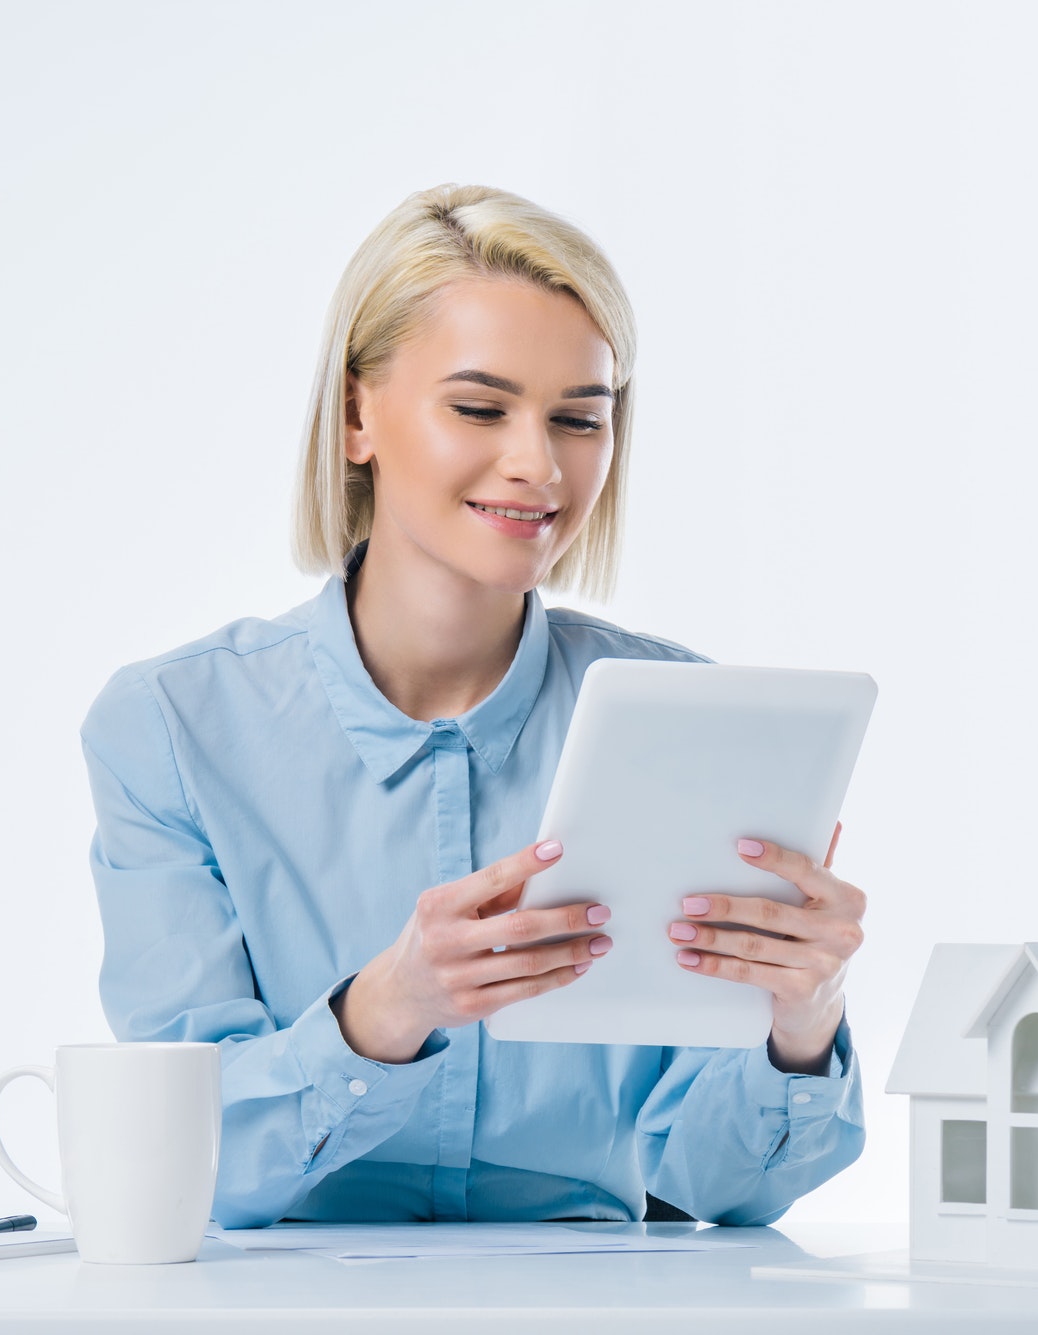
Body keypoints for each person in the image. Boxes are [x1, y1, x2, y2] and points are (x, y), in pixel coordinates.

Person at [78, 183, 867, 1229]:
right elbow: (187, 1169)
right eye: (480, 408)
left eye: (578, 419)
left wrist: (797, 1020)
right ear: (357, 414)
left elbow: (715, 1190)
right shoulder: (173, 728)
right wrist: (387, 1010)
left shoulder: (683, 719)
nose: (537, 466)